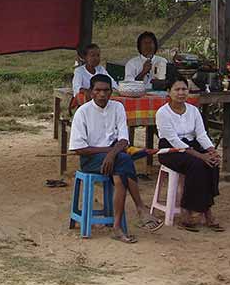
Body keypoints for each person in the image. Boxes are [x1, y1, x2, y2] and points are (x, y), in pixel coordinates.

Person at [69, 74, 163, 242]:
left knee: (120, 173)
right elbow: (79, 149)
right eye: (98, 90)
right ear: (91, 92)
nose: (102, 94)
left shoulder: (117, 107)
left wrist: (111, 154)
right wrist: (109, 151)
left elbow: (124, 140)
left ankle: (117, 227)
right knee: (125, 160)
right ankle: (140, 209)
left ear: (111, 91)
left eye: (106, 90)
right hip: (91, 159)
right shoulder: (82, 112)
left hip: (115, 158)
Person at [155, 76, 222, 231]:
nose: (181, 93)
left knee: (212, 163)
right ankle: (188, 211)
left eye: (184, 89)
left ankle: (206, 209)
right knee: (197, 165)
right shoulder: (163, 113)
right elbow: (174, 141)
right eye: (177, 89)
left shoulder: (193, 110)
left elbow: (201, 135)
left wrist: (211, 151)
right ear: (168, 92)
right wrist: (201, 156)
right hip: (170, 150)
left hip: (191, 145)